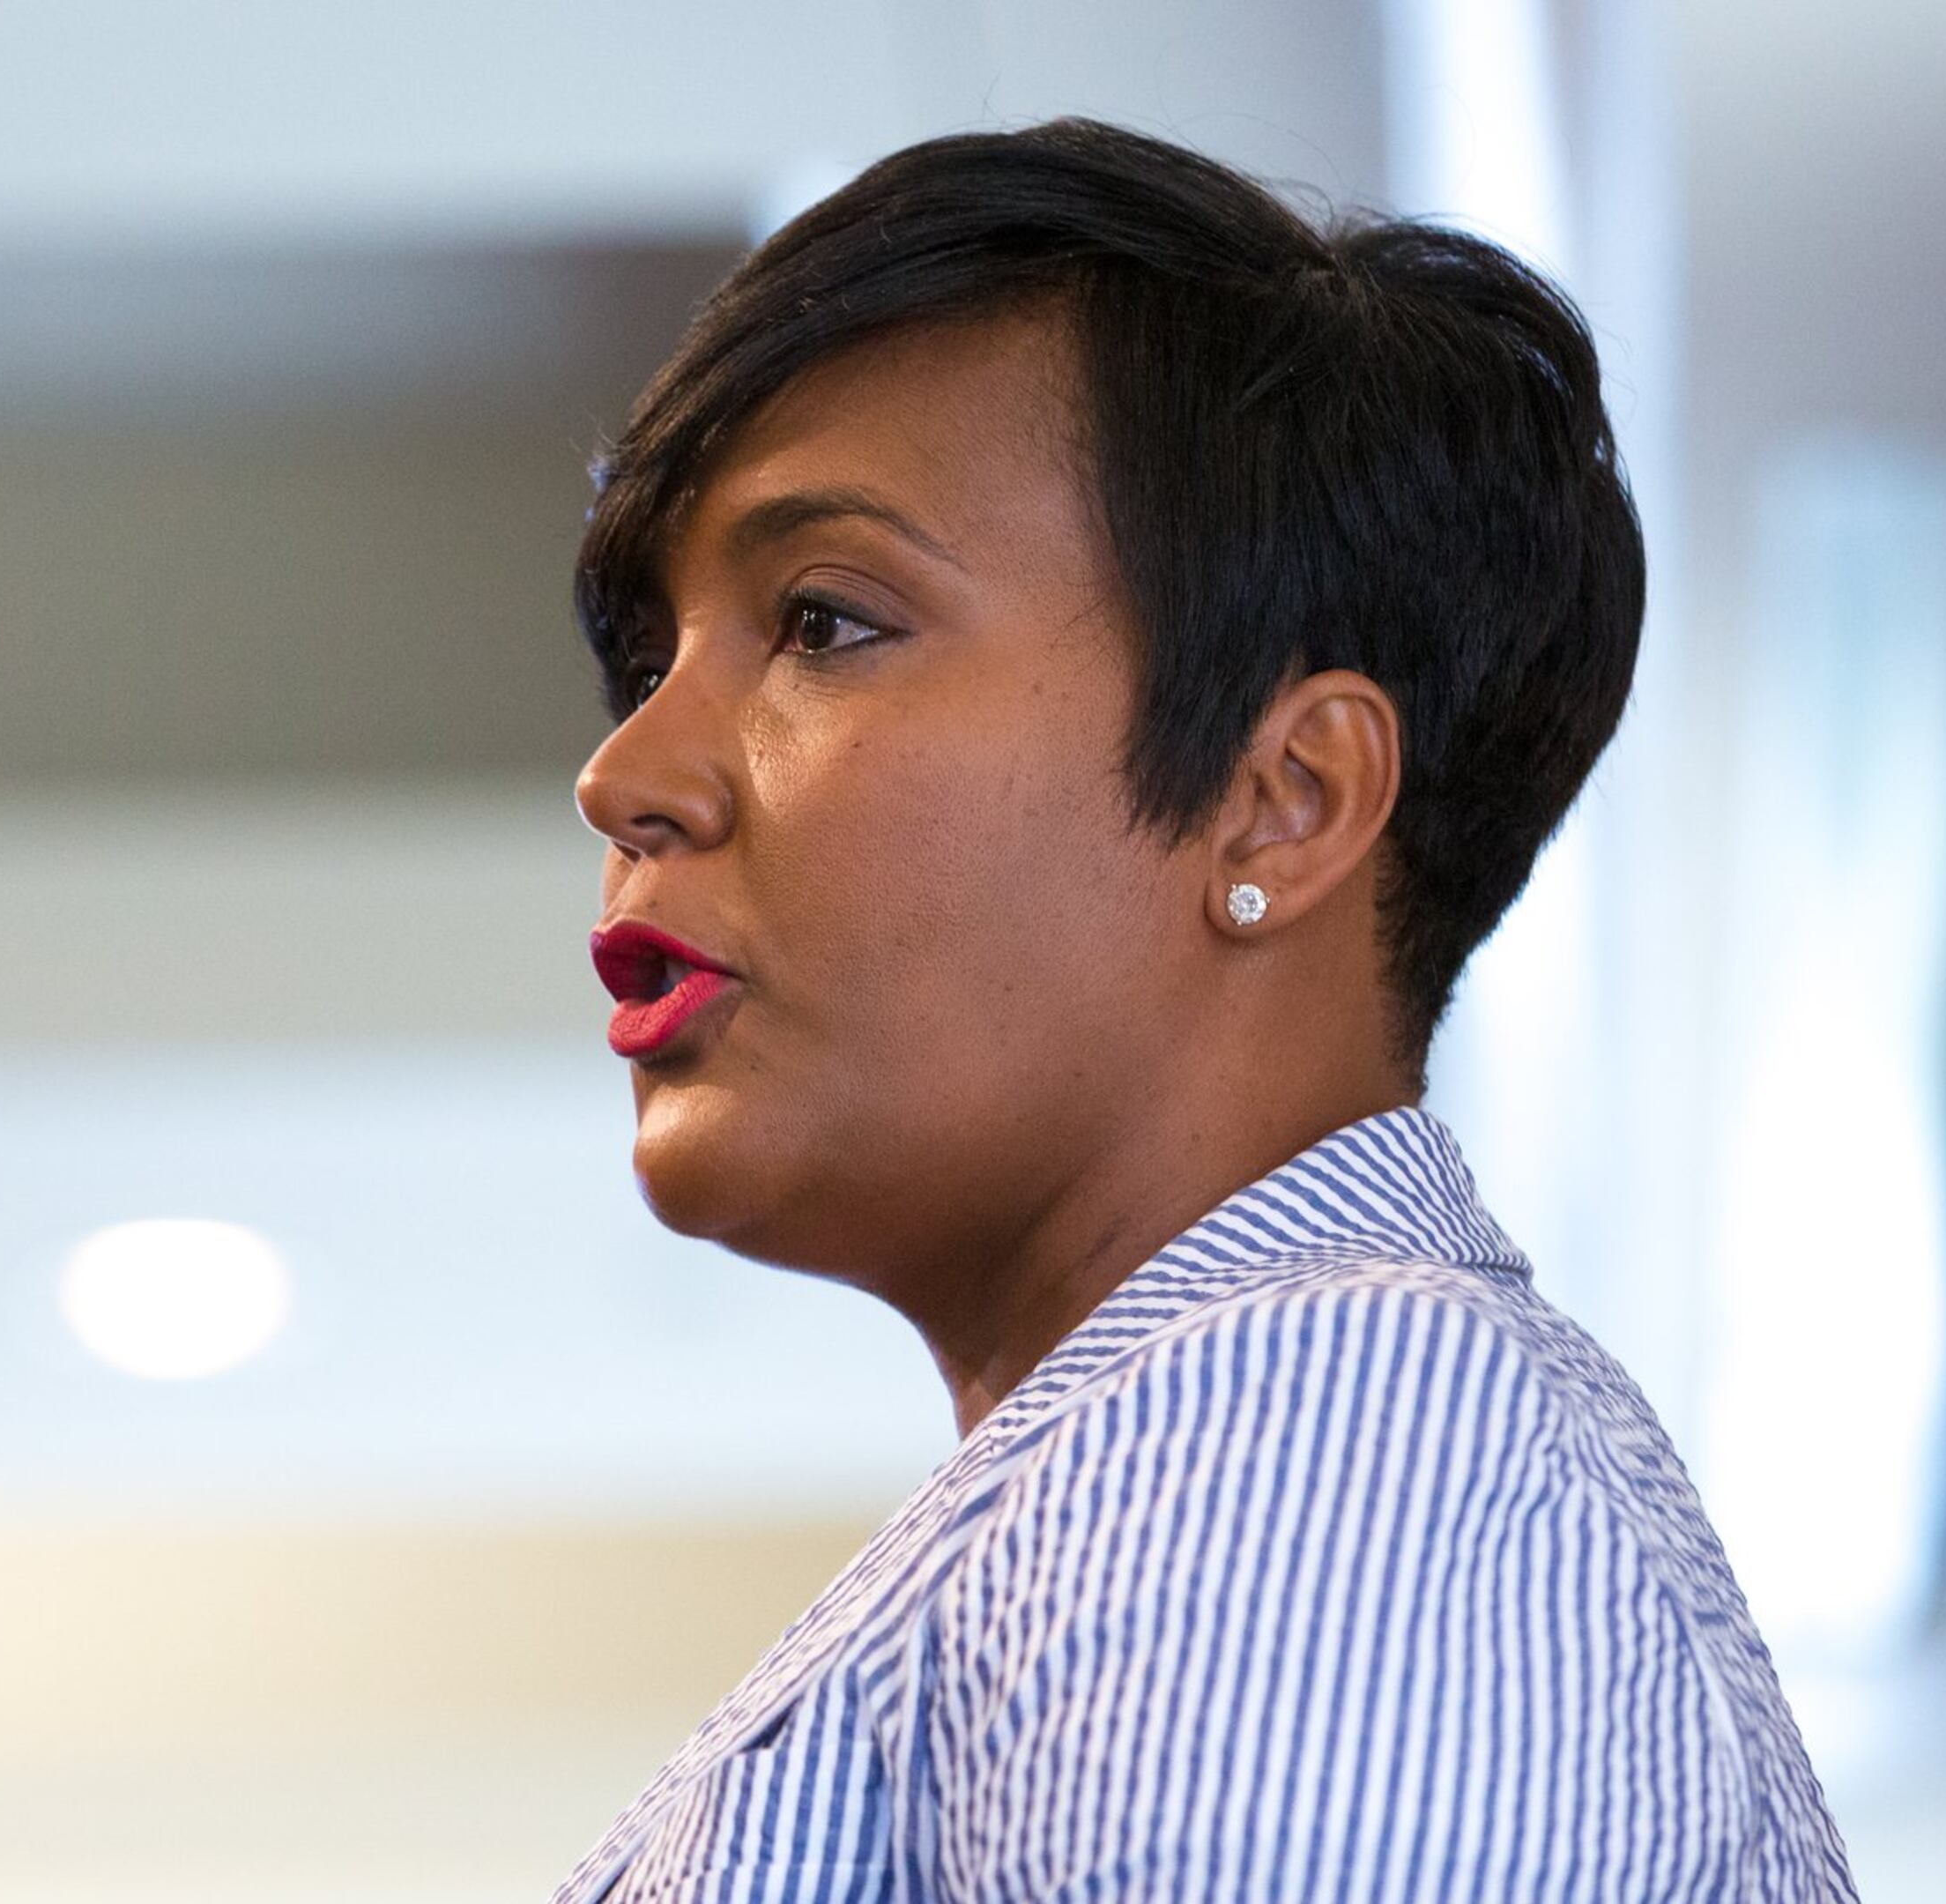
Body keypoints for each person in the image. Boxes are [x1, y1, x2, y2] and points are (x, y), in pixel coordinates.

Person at [558, 120, 1853, 1902]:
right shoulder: (1227, 1452)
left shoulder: (1320, 1423)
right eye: (651, 660)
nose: (628, 771)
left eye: (824, 620)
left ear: (1285, 801)